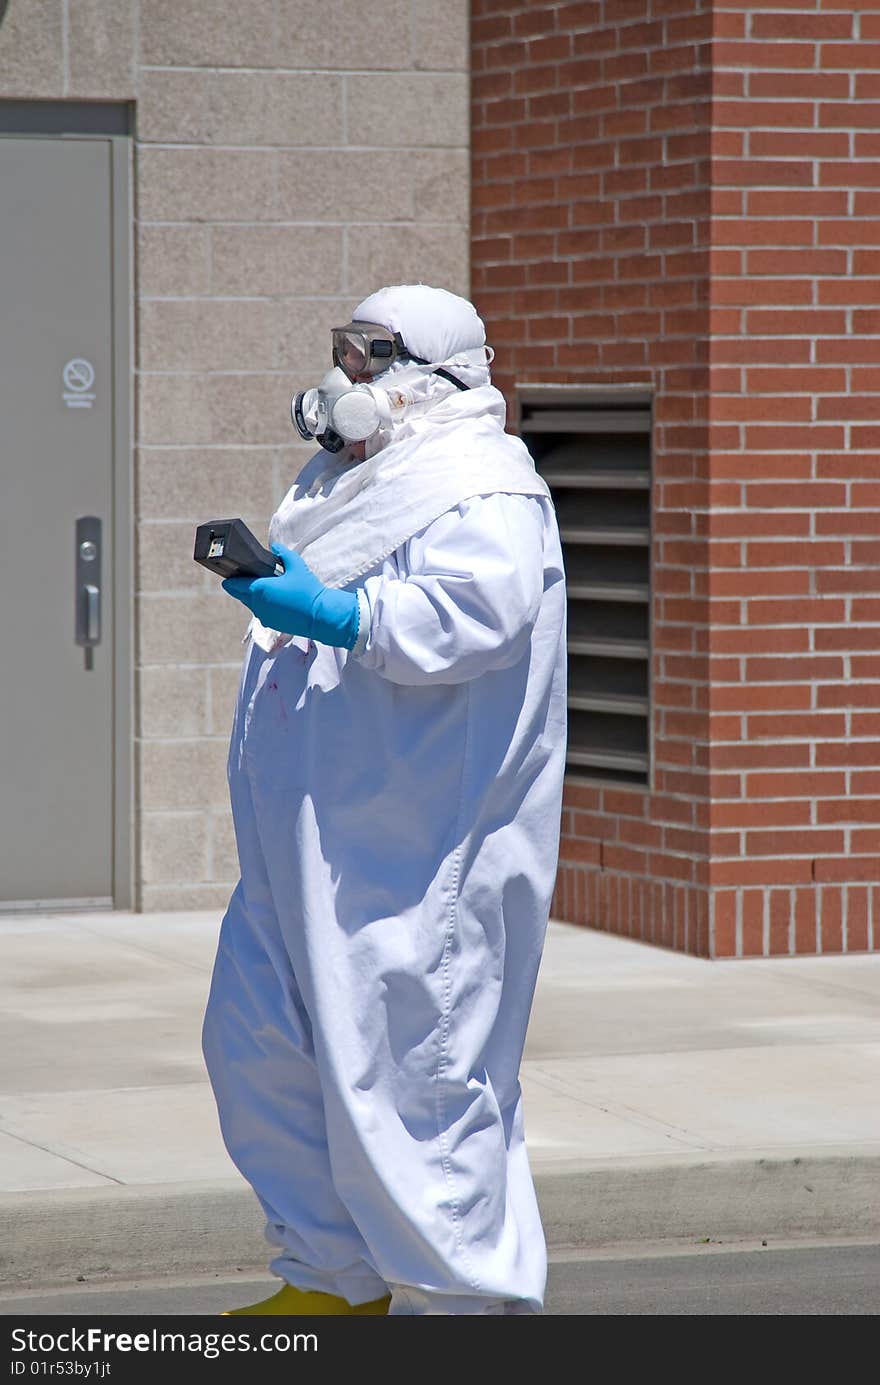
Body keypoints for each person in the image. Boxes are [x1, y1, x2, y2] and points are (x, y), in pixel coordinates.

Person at [202, 284, 567, 1316]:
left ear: (433, 374)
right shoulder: (349, 479)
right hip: (308, 845)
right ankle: (330, 1280)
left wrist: (339, 613)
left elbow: (474, 617)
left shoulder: (481, 484)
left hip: (411, 858)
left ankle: (465, 1303)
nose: (346, 376)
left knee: (416, 1079)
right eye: (341, 352)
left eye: (368, 356)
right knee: (264, 1048)